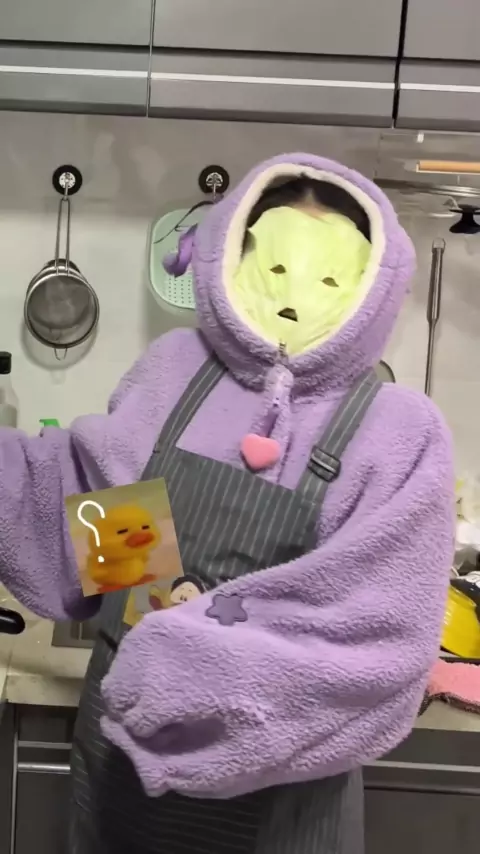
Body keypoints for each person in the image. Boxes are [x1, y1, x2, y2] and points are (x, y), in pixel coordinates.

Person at [0, 152, 454, 854]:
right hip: (120, 787)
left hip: (279, 815)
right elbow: (111, 544)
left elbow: (374, 643)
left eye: (329, 276)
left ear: (374, 284)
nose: (294, 298)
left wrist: (199, 668)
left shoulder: (396, 433)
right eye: (274, 266)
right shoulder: (175, 376)